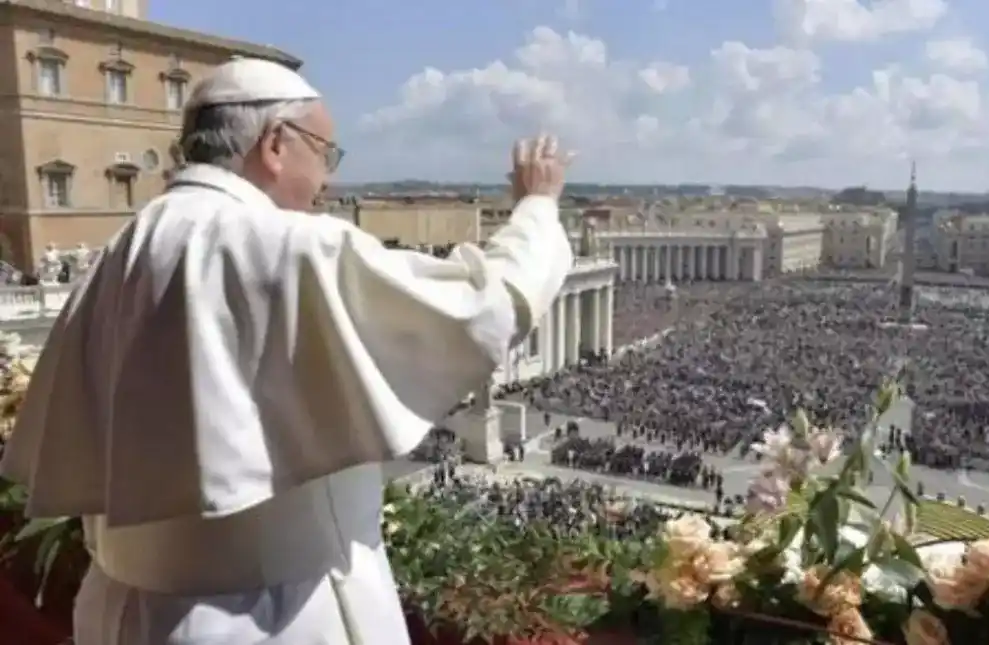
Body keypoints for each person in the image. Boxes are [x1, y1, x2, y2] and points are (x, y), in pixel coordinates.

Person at [0, 58, 575, 645]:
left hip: (125, 614)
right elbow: (484, 307)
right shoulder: (285, 246)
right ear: (276, 144)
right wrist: (538, 207)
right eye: (327, 154)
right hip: (274, 619)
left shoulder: (125, 247)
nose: (327, 180)